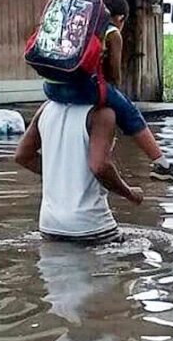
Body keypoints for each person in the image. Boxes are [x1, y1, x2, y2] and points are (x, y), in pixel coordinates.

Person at [43, 0, 173, 183]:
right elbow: (115, 76)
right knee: (130, 111)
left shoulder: (77, 25)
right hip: (80, 90)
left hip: (51, 88)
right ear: (120, 18)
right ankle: (162, 164)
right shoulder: (112, 32)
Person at [15, 100, 142, 245]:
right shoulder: (101, 113)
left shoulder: (47, 108)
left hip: (49, 225)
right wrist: (130, 193)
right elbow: (100, 166)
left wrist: (62, 174)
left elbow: (23, 156)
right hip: (91, 226)